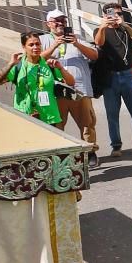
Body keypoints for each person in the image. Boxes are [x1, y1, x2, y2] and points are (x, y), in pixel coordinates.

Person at [40, 9, 99, 155]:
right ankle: (59, 154)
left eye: (63, 21)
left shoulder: (77, 37)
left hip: (80, 89)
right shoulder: (42, 40)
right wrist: (54, 45)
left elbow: (94, 55)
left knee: (87, 124)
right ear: (48, 24)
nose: (60, 23)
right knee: (57, 125)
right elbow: (35, 59)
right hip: (55, 91)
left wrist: (77, 44)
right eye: (56, 21)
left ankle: (89, 152)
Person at [93, 1, 132, 156]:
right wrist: (103, 26)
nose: (116, 17)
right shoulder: (100, 30)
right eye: (112, 14)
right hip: (111, 77)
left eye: (119, 14)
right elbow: (98, 42)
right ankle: (116, 145)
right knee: (112, 114)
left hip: (128, 74)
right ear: (104, 15)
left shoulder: (125, 29)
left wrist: (126, 25)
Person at [0, 31, 73, 126]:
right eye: (31, 45)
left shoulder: (48, 64)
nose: (35, 47)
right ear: (24, 47)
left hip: (49, 117)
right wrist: (10, 64)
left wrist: (61, 68)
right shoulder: (18, 66)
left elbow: (71, 82)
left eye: (38, 44)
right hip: (25, 116)